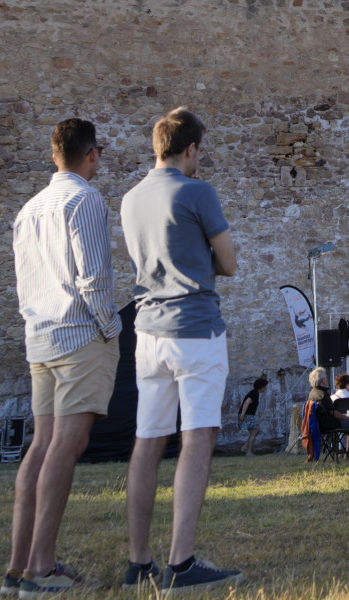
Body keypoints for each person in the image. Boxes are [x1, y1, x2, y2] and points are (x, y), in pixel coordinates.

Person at [120, 108, 241, 591]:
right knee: (197, 439)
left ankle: (138, 562)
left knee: (147, 442)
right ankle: (182, 561)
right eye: (199, 152)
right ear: (190, 149)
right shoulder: (198, 191)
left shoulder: (130, 199)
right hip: (195, 330)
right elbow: (229, 263)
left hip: (147, 334)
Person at [5, 119, 120, 597]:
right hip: (78, 333)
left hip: (40, 335)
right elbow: (92, 276)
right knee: (65, 447)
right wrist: (112, 327)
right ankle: (43, 566)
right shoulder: (85, 200)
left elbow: (24, 279)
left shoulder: (28, 209)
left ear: (56, 154)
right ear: (92, 154)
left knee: (42, 444)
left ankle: (19, 567)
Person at [305, 366, 349, 455]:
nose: (327, 379)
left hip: (319, 424)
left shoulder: (312, 393)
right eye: (325, 378)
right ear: (322, 381)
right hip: (331, 424)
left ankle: (348, 450)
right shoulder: (324, 395)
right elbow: (334, 413)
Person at [238, 376, 267, 456]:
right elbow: (247, 402)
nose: (266, 388)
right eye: (265, 386)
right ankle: (248, 452)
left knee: (256, 430)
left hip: (249, 415)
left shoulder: (255, 393)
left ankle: (245, 447)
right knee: (254, 431)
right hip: (248, 415)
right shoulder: (254, 393)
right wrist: (243, 415)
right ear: (262, 386)